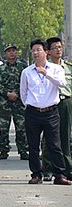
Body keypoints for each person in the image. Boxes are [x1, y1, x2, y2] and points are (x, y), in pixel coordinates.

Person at [20, 39, 71, 185]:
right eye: (33, 50)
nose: (36, 53)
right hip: (33, 112)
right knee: (33, 145)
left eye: (38, 50)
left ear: (46, 52)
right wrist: (31, 105)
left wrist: (46, 73)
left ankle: (59, 174)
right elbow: (23, 93)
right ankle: (36, 174)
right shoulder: (27, 72)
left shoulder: (56, 69)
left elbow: (62, 83)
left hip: (51, 112)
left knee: (54, 144)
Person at [42, 37, 72, 181]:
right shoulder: (45, 68)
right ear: (48, 51)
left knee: (65, 136)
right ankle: (47, 169)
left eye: (60, 47)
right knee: (50, 137)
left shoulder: (68, 67)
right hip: (50, 103)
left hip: (66, 102)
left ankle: (66, 168)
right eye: (55, 48)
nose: (58, 50)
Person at [0, 45, 28, 160]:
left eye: (13, 51)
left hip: (19, 101)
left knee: (21, 127)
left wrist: (17, 94)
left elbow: (26, 83)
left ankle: (23, 150)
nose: (12, 53)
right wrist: (7, 94)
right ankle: (3, 151)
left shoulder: (23, 67)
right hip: (5, 102)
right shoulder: (1, 68)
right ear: (5, 54)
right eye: (9, 51)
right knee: (3, 127)